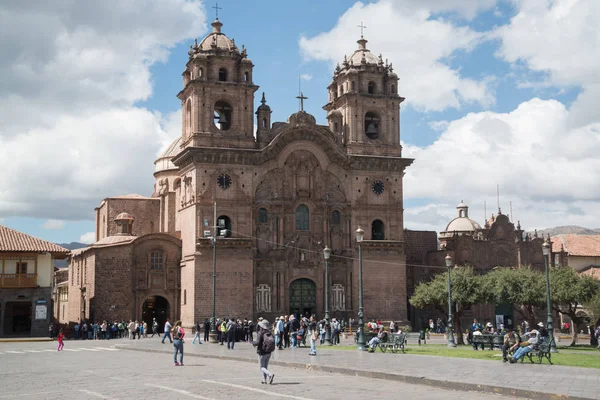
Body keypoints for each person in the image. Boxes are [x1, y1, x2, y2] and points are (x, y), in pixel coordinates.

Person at [252, 319, 275, 384]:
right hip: (269, 352)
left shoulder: (261, 333)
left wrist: (253, 343)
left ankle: (270, 374)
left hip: (262, 351)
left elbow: (258, 342)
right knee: (265, 366)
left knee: (262, 367)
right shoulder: (270, 332)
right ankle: (264, 380)